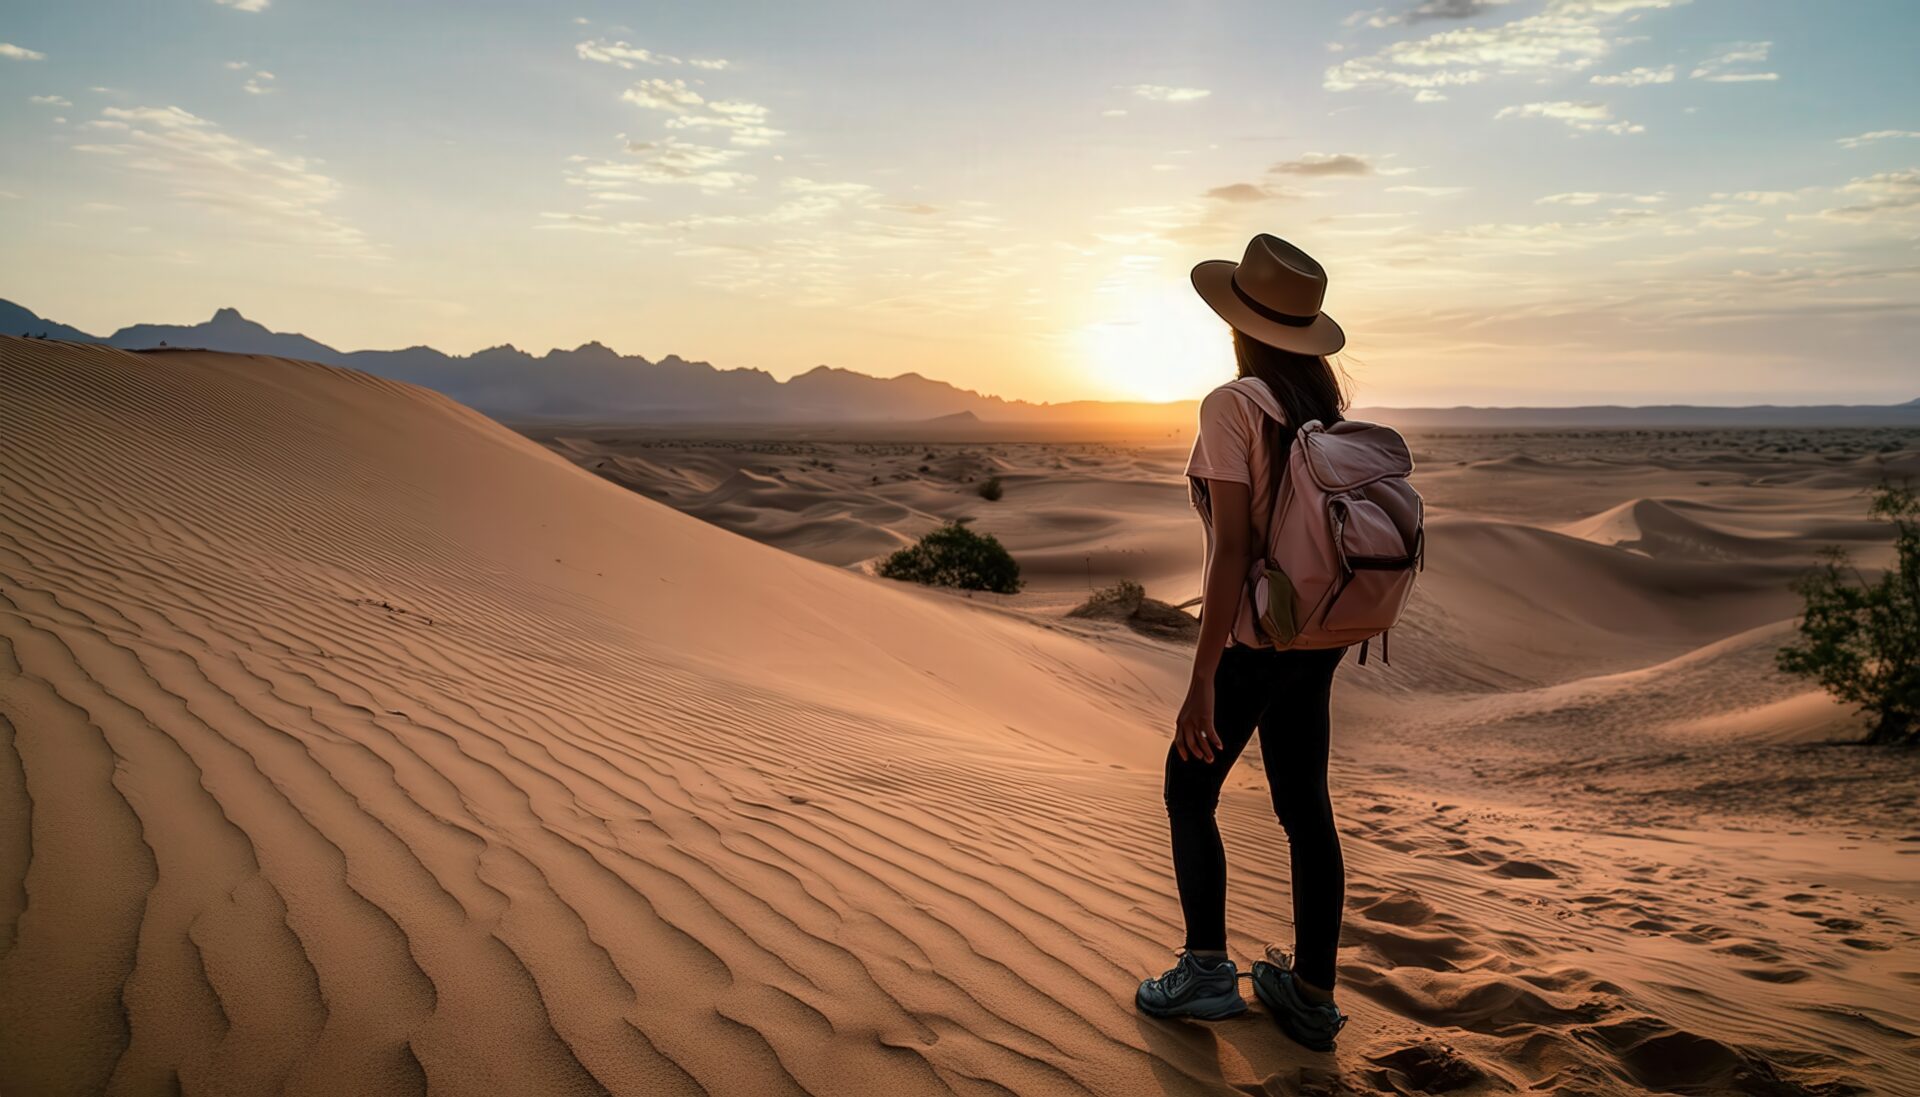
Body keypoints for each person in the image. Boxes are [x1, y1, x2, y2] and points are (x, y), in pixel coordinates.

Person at [1134, 234, 1353, 1052]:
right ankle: (1311, 996)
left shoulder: (1233, 404)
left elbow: (1229, 550)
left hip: (1259, 635)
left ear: (1239, 324)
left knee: (1188, 788)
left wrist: (1202, 674)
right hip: (1319, 637)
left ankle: (1206, 971)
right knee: (1305, 808)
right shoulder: (1323, 407)